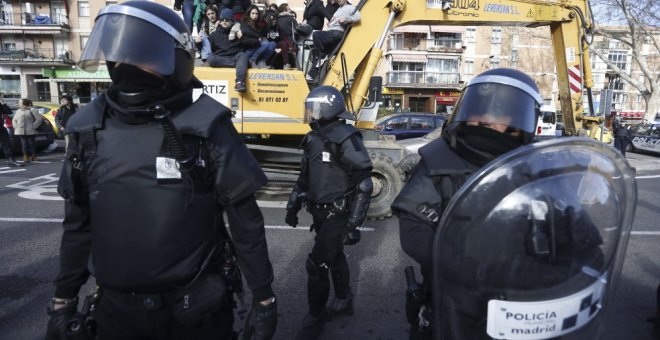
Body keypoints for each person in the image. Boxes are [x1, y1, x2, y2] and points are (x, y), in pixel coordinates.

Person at [45, 2, 277, 340]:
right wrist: (63, 299)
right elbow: (78, 223)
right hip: (115, 313)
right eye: (124, 57)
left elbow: (246, 221)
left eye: (145, 57)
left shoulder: (206, 123)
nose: (130, 66)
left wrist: (263, 297)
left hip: (195, 312)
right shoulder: (87, 128)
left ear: (177, 62)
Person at [392, 68, 543, 340]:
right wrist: (473, 271)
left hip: (520, 305)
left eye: (500, 112)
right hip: (451, 299)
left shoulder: (536, 167)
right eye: (480, 109)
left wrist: (580, 250)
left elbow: (569, 222)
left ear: (519, 118)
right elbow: (414, 231)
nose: (486, 118)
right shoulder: (439, 161)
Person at [285, 86, 373, 340]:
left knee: (317, 263)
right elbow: (304, 177)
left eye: (314, 108)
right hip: (319, 212)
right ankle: (344, 299)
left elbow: (364, 183)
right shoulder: (312, 138)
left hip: (338, 213)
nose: (310, 113)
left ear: (328, 108)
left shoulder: (346, 136)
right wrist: (292, 205)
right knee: (334, 258)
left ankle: (316, 315)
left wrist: (353, 224)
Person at [305, 0, 360, 82]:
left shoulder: (350, 7)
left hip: (336, 33)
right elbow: (335, 19)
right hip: (332, 32)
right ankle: (311, 75)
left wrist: (346, 19)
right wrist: (331, 22)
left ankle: (322, 57)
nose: (339, 0)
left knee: (316, 35)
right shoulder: (339, 9)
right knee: (321, 57)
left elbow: (357, 17)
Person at [208, 8, 260, 92]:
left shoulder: (239, 30)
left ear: (232, 20)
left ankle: (239, 82)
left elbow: (256, 41)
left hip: (235, 56)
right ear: (220, 21)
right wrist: (198, 43)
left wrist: (242, 38)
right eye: (222, 19)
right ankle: (240, 65)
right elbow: (208, 49)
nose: (224, 21)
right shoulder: (214, 34)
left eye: (227, 20)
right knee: (210, 58)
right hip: (221, 58)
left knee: (243, 55)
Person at [12, 98, 43, 163]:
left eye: (19, 103)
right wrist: (15, 126)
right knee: (24, 144)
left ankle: (33, 156)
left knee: (32, 143)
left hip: (30, 130)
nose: (18, 104)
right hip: (20, 130)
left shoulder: (32, 110)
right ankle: (25, 156)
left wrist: (33, 126)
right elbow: (14, 119)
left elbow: (39, 119)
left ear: (24, 105)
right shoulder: (18, 111)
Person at [0, 98, 22, 167]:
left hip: (1, 128)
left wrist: (3, 104)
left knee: (6, 144)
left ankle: (11, 160)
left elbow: (8, 112)